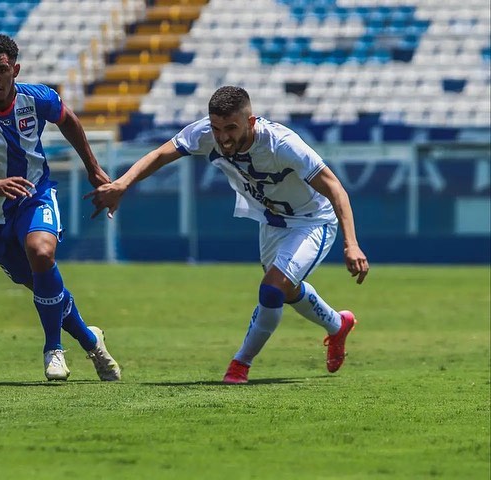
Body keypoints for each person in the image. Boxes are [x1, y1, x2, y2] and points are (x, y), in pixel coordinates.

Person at [86, 85, 369, 384]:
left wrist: (351, 245)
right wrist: (123, 184)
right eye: (217, 128)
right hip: (272, 221)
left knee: (272, 288)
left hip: (313, 221)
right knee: (285, 290)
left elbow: (336, 188)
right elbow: (160, 155)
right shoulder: (206, 134)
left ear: (250, 121)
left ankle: (240, 365)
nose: (222, 137)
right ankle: (338, 325)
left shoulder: (282, 144)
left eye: (231, 128)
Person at [0, 33, 121, 382]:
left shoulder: (37, 98)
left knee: (41, 253)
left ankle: (53, 349)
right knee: (39, 284)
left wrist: (92, 166)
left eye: (1, 70)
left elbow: (67, 118)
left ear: (15, 69)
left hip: (34, 195)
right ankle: (90, 339)